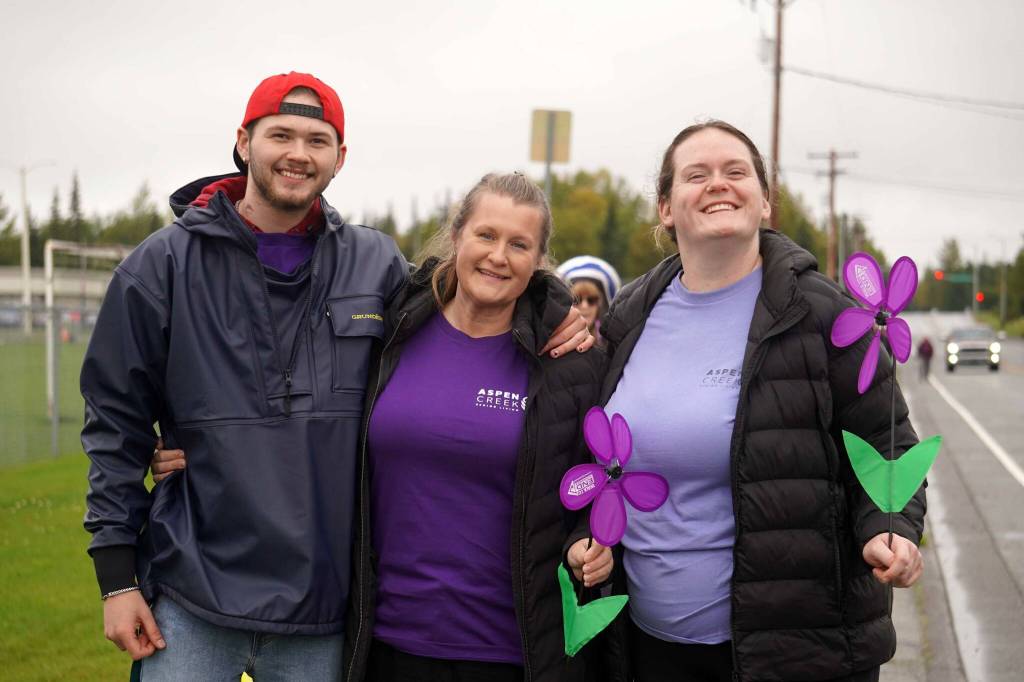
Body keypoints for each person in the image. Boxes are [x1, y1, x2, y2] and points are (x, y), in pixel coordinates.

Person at [82, 72, 590, 680]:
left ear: (339, 157)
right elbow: (114, 424)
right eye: (281, 135)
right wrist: (117, 580)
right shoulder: (159, 267)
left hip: (324, 610)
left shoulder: (374, 264)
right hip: (193, 595)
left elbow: (470, 285)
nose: (298, 154)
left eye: (317, 140)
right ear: (244, 142)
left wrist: (555, 310)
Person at [153, 172, 613, 682]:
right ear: (457, 235)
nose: (498, 256)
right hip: (385, 641)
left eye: (519, 244)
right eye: (486, 235)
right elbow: (294, 384)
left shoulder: (568, 363)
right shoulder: (392, 327)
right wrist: (197, 440)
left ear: (539, 261)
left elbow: (592, 479)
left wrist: (584, 542)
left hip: (511, 649)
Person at [594, 121, 925, 682]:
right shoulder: (628, 317)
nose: (718, 185)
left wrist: (889, 528)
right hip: (651, 650)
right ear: (665, 208)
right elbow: (593, 461)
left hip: (799, 652)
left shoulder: (827, 315)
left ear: (765, 199)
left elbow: (886, 446)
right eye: (696, 175)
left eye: (736, 172)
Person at [556, 255, 621, 339]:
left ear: (600, 304)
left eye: (592, 300)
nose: (584, 306)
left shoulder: (613, 344)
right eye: (576, 299)